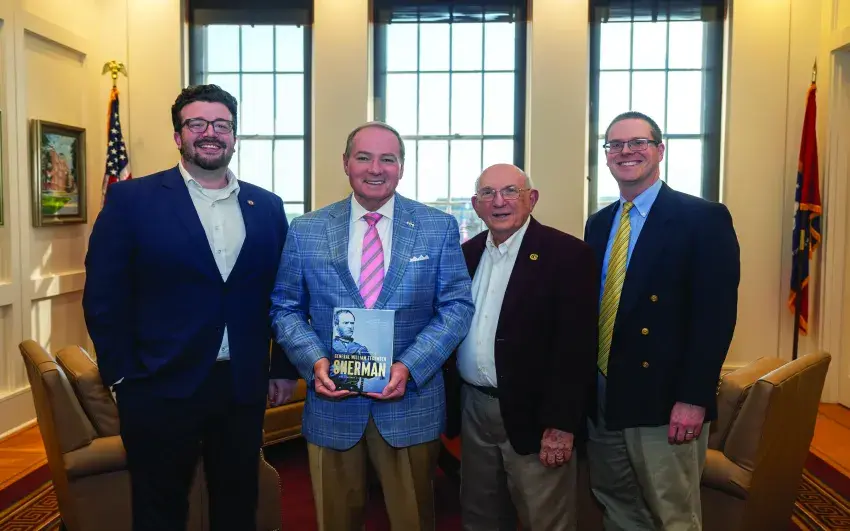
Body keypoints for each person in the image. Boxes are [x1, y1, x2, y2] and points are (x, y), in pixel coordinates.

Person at [82, 84, 299, 531]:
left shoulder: (267, 207)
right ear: (178, 136)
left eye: (221, 124)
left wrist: (281, 367)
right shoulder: (132, 201)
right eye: (196, 123)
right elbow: (104, 294)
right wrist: (122, 375)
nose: (210, 133)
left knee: (237, 506)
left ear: (234, 136)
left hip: (240, 386)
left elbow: (285, 295)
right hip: (158, 385)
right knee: (159, 511)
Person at [270, 121, 475, 531]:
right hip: (332, 405)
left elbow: (456, 307)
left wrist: (410, 367)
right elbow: (285, 308)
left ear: (402, 167)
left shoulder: (438, 227)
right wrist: (315, 362)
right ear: (346, 163)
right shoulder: (307, 229)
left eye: (388, 159)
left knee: (413, 520)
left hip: (410, 404)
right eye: (364, 157)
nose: (375, 168)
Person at [583, 111, 740, 530]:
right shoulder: (599, 224)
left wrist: (694, 398)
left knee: (672, 513)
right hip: (604, 395)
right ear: (607, 155)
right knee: (617, 505)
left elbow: (715, 316)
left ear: (660, 150)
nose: (626, 151)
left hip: (664, 399)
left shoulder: (702, 218)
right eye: (615, 144)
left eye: (638, 142)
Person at [443, 164, 598, 531]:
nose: (499, 202)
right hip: (473, 409)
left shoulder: (567, 255)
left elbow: (576, 349)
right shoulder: (465, 255)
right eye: (488, 193)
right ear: (476, 204)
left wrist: (561, 425)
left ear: (532, 199)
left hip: (536, 416)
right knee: (480, 517)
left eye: (511, 191)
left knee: (545, 520)